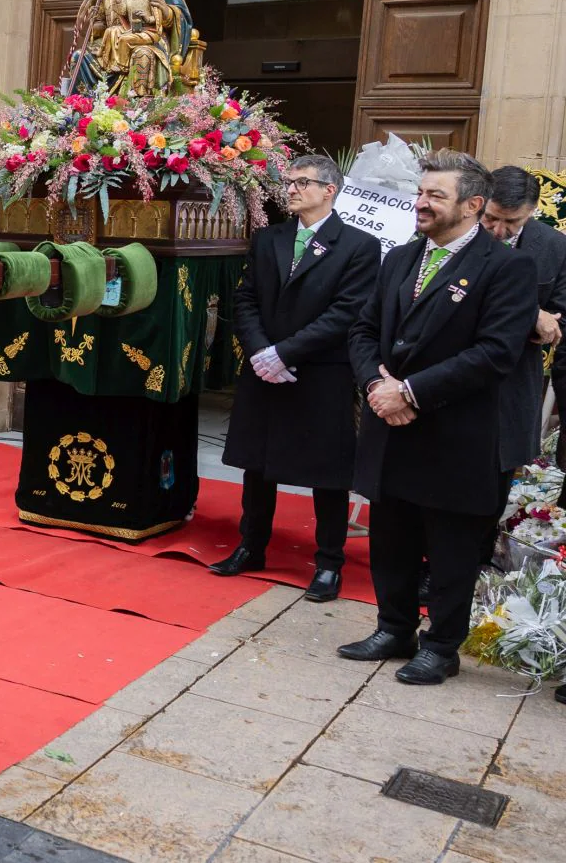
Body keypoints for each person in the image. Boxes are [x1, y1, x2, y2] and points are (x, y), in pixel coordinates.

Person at [341, 150, 536, 687]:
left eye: (435, 196)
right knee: (392, 536)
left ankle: (442, 645)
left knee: (450, 548)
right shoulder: (400, 258)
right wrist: (377, 386)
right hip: (391, 426)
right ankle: (394, 628)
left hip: (457, 434)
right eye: (420, 193)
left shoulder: (508, 268)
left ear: (473, 205)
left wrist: (411, 392)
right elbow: (362, 330)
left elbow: (495, 352)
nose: (420, 203)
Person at [212, 155, 381, 603]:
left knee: (326, 472)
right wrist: (260, 351)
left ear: (330, 190)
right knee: (258, 465)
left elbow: (348, 312)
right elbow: (245, 298)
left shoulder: (358, 245)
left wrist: (286, 352)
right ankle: (251, 546)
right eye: (288, 182)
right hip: (264, 367)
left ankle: (329, 563)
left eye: (301, 183)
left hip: (320, 372)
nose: (290, 189)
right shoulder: (270, 238)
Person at [482, 166, 566, 464]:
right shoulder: (456, 235)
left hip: (513, 383)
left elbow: (558, 320)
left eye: (512, 222)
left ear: (531, 213)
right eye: (491, 218)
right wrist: (531, 312)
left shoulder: (555, 247)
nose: (499, 231)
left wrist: (541, 320)